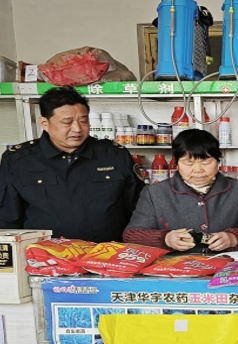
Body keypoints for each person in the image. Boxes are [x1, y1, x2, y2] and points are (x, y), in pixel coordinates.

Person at [0, 86, 144, 242]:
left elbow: (139, 209)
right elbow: (7, 218)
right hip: (44, 254)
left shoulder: (114, 155)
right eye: (67, 122)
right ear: (45, 123)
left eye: (83, 121)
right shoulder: (19, 161)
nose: (77, 129)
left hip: (108, 252)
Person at [123, 128, 238, 252]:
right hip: (175, 268)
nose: (198, 169)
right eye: (189, 163)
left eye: (205, 162)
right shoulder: (155, 193)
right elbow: (132, 235)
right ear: (176, 164)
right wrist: (166, 239)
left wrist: (233, 238)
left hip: (227, 267)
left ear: (218, 161)